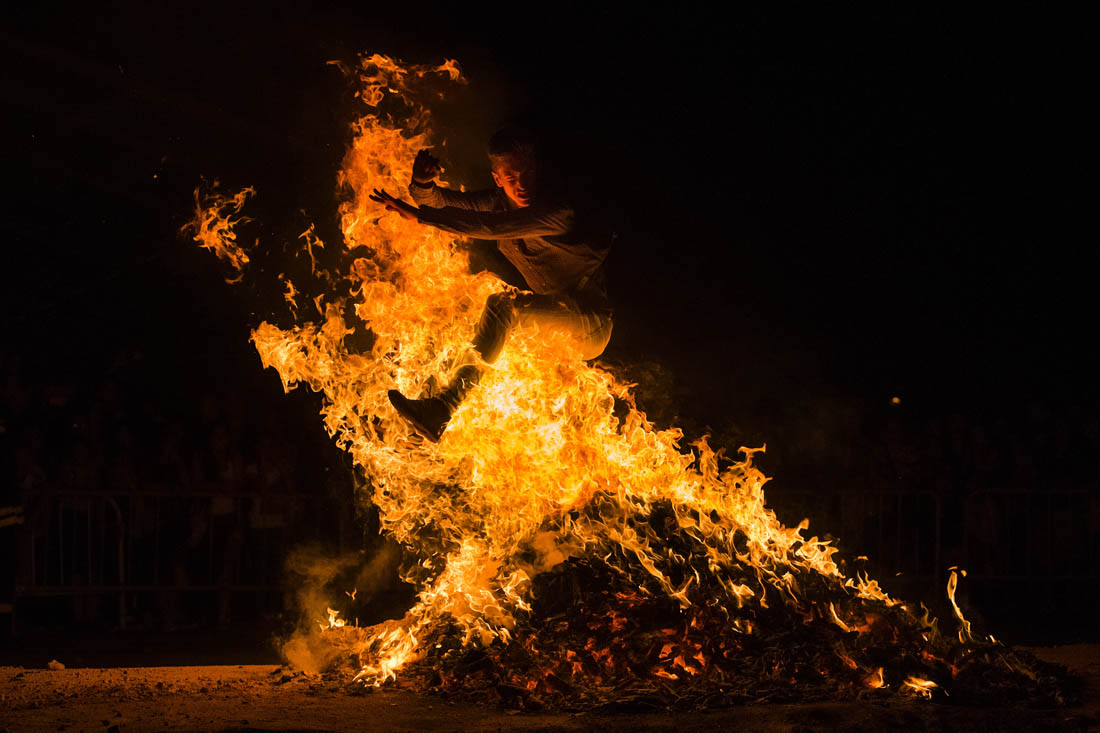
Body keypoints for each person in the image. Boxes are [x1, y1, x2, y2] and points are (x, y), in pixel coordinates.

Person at [369, 128, 613, 441]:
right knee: (465, 323)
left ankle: (444, 407)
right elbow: (441, 202)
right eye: (511, 176)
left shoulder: (558, 212)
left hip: (589, 324)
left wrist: (422, 218)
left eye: (528, 173)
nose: (521, 184)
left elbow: (492, 227)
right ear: (497, 178)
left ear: (539, 171)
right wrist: (422, 184)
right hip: (550, 325)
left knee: (503, 306)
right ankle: (427, 411)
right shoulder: (497, 202)